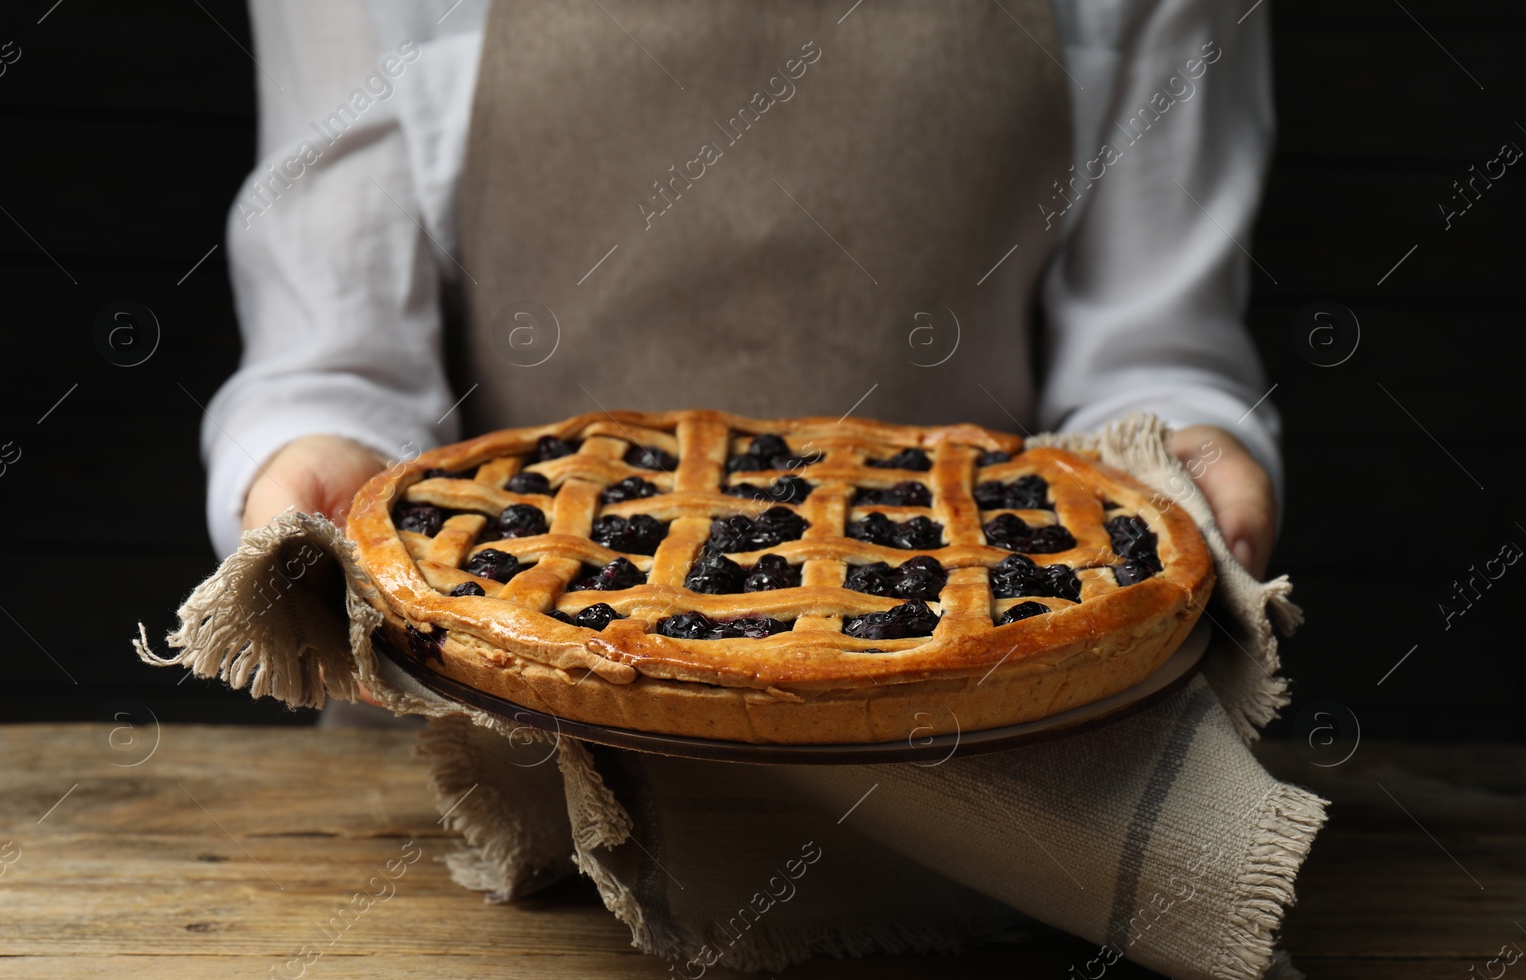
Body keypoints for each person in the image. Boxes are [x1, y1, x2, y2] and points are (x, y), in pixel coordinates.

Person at [207, 0, 1281, 654]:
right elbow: (334, 361)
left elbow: (1149, 353)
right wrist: (317, 465)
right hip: (497, 732)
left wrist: (1182, 448)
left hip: (973, 740)